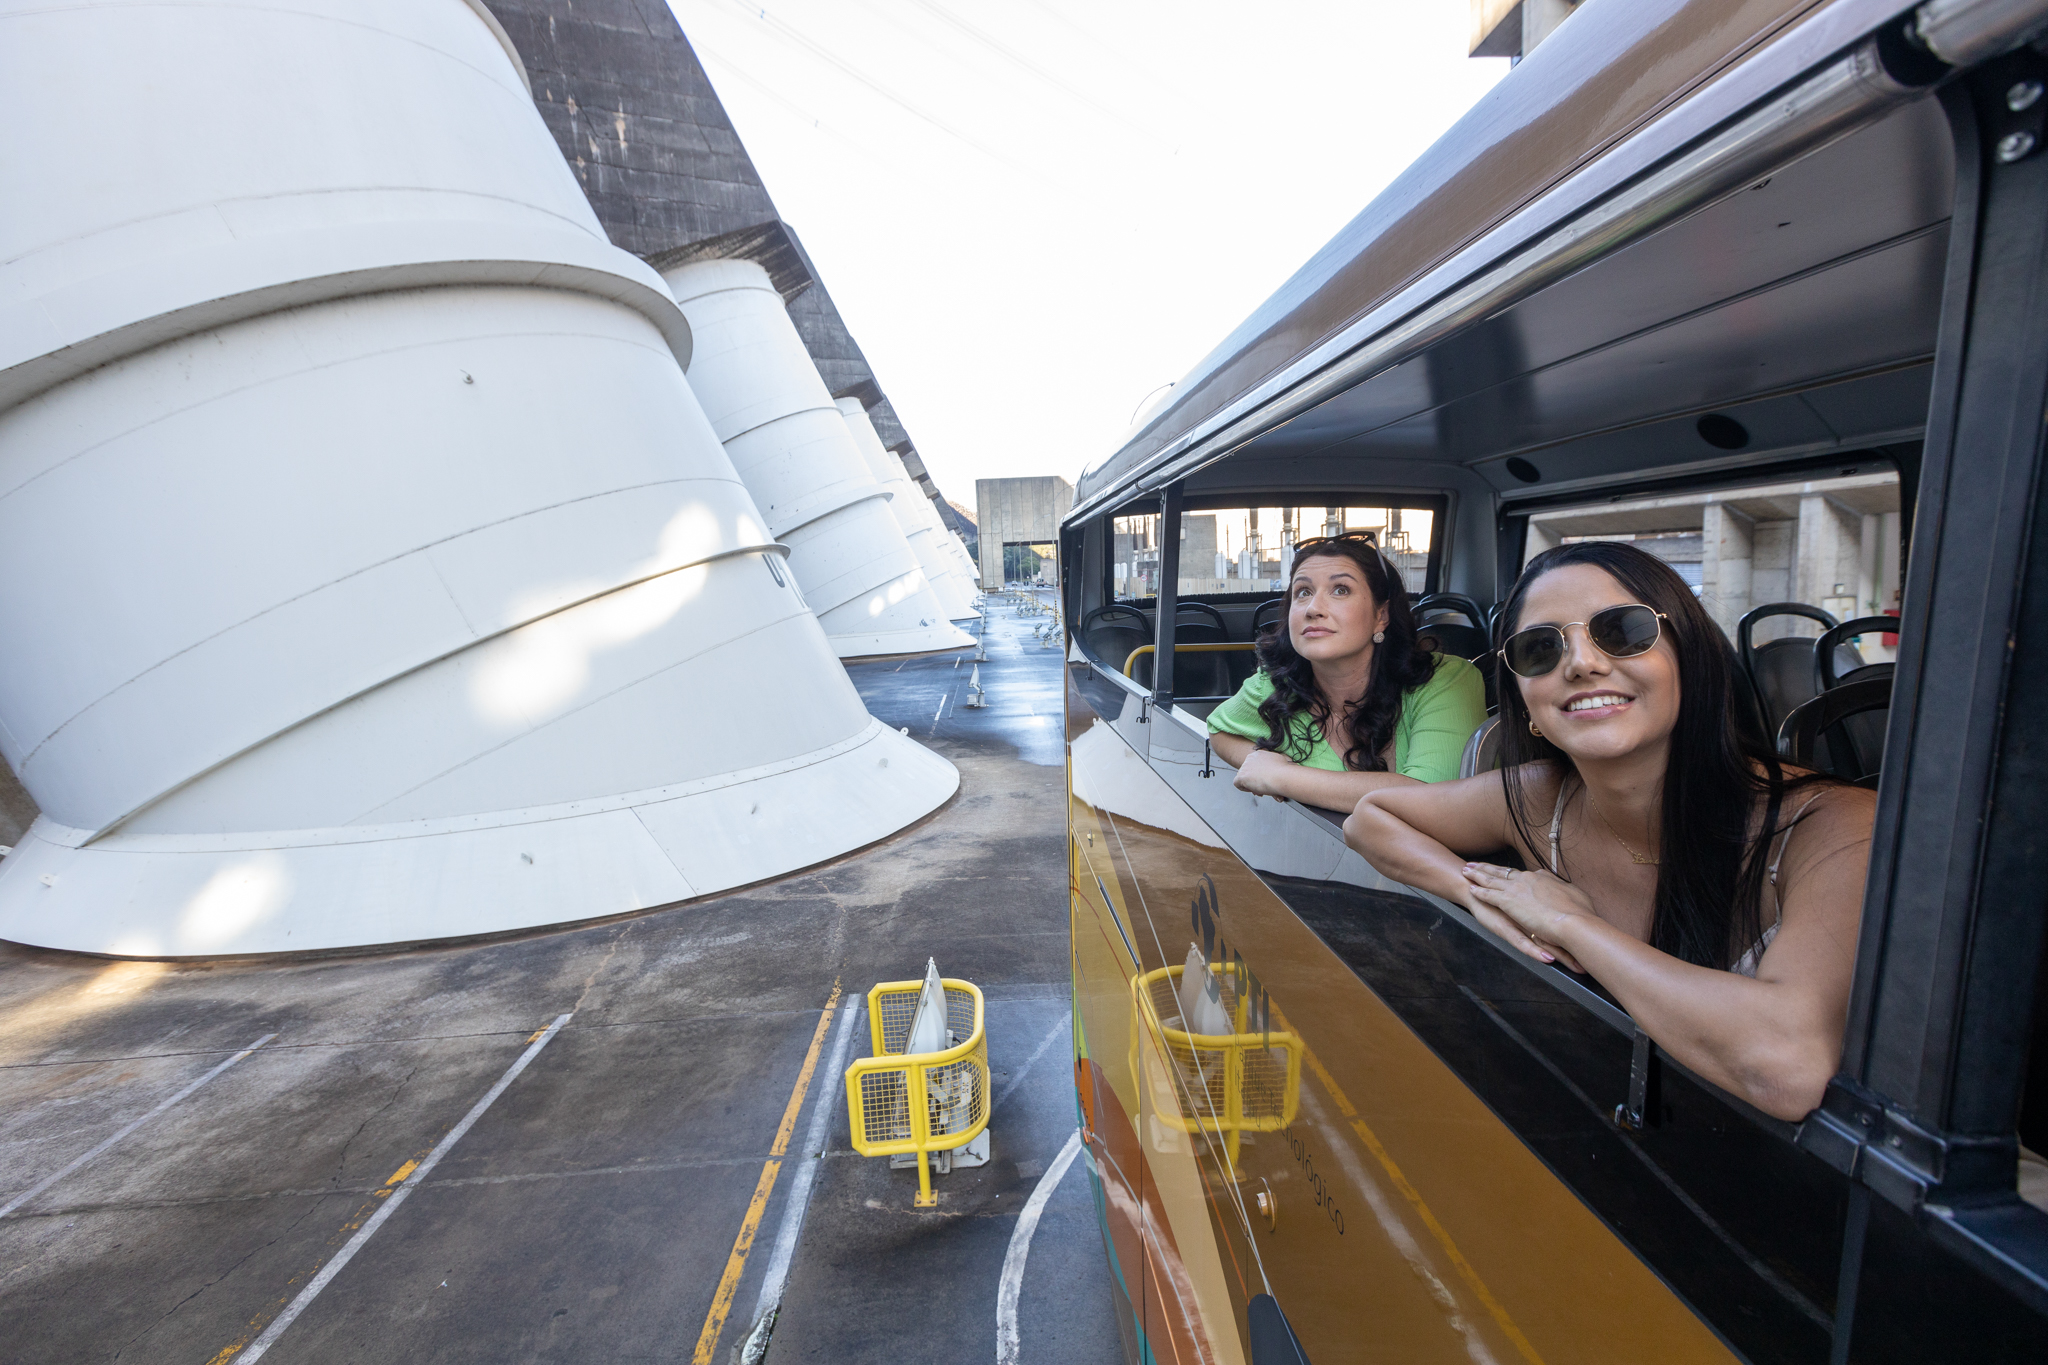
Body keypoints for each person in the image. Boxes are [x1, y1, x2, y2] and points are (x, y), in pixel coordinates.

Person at [1344, 542, 1875, 1120]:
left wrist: (1570, 925)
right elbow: (1372, 817)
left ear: (1690, 658)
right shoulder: (1535, 795)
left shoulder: (1833, 824)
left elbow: (1785, 1067)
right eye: (1541, 648)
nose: (1582, 663)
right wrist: (1484, 894)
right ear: (1523, 704)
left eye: (1622, 631)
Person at [1206, 533, 1486, 810]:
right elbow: (1220, 730)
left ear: (1381, 616)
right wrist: (1258, 762)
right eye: (1303, 592)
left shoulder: (1446, 679)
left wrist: (1282, 777)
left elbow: (1433, 798)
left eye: (1341, 590)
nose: (1313, 608)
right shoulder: (1277, 682)